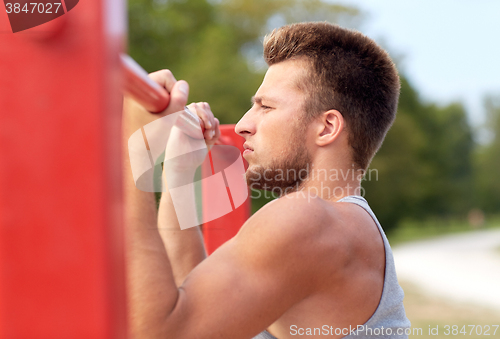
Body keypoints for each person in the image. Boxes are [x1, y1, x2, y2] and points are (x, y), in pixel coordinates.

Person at [123, 22, 411, 339]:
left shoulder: (307, 220)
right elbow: (198, 303)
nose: (245, 124)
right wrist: (178, 173)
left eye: (266, 107)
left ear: (327, 127)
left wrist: (131, 145)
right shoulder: (338, 224)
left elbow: (161, 333)